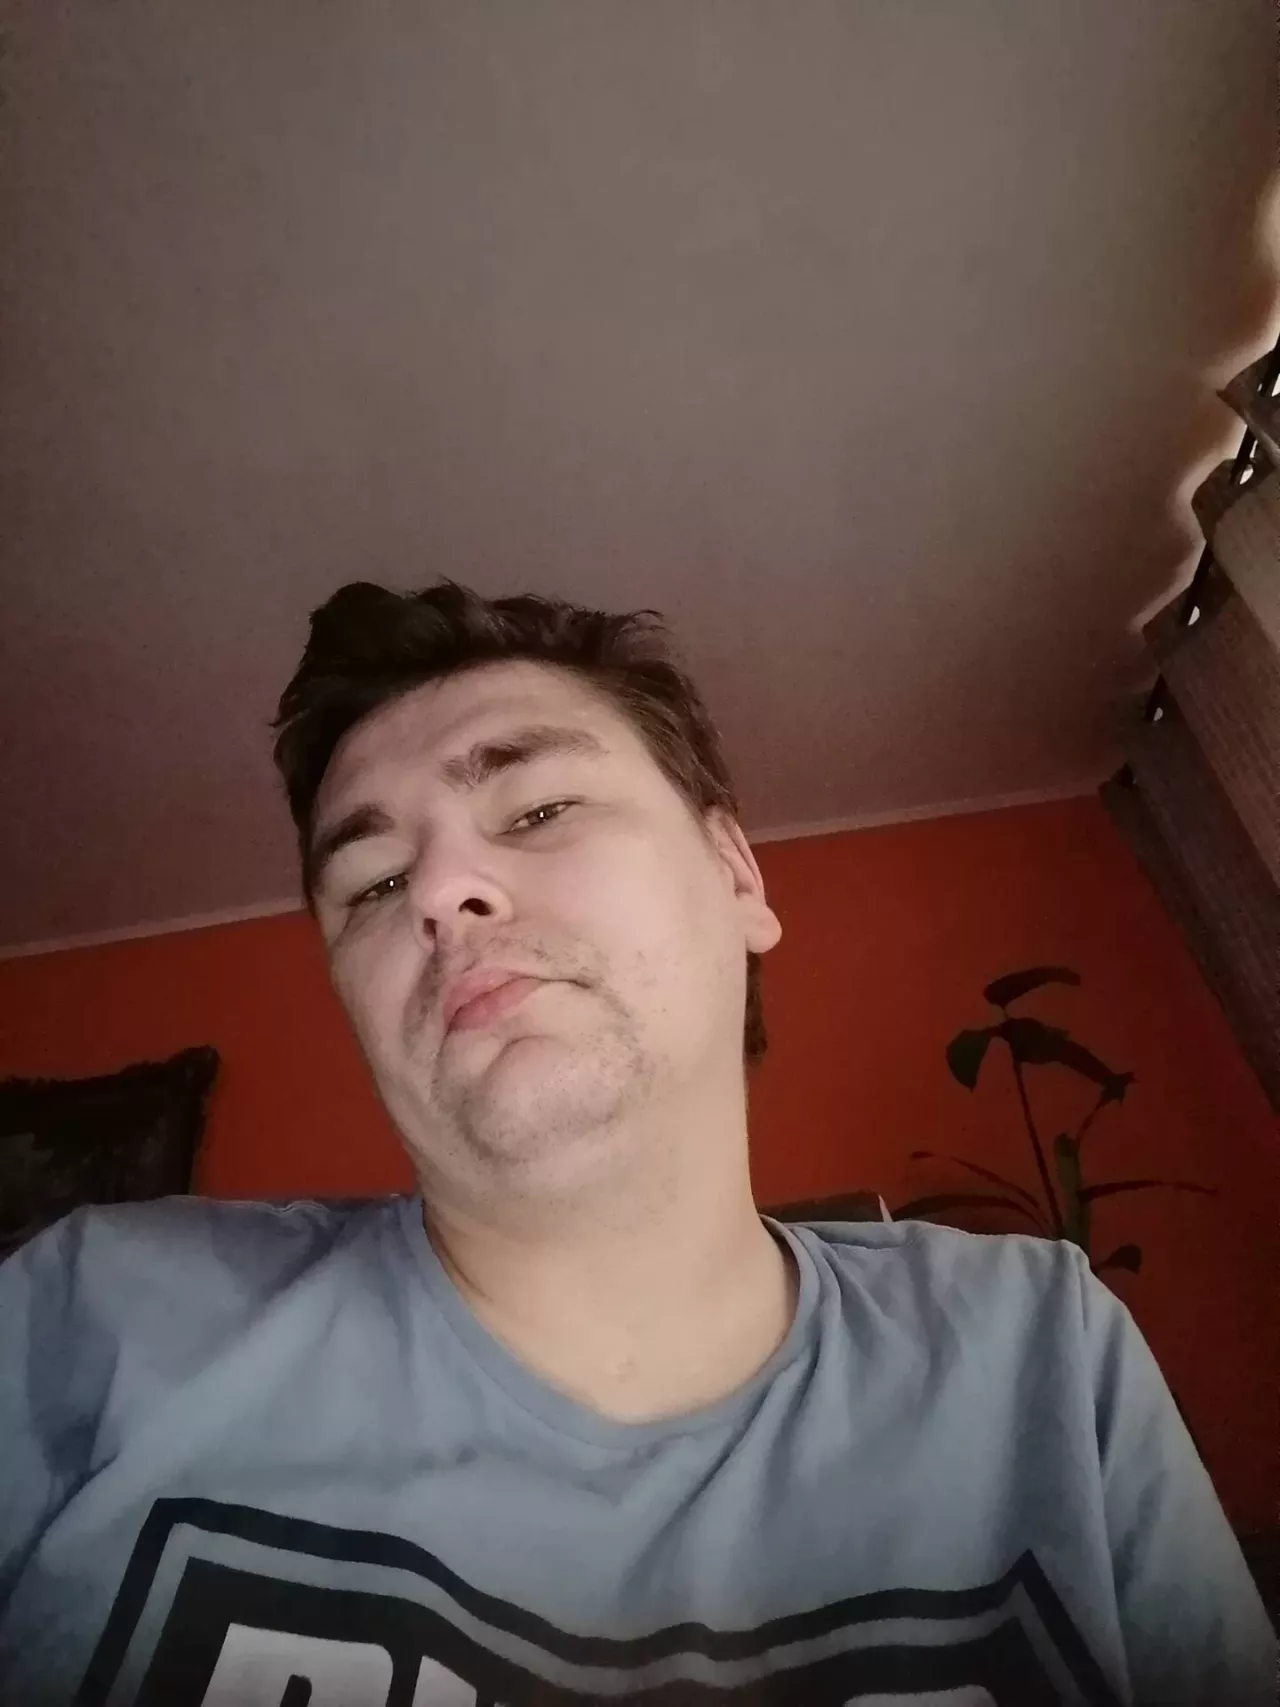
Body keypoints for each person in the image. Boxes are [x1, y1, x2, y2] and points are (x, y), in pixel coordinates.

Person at [0, 579, 1273, 1706]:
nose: (437, 890)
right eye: (371, 885)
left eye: (536, 807)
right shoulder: (92, 1316)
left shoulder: (1036, 1350)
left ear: (736, 877)